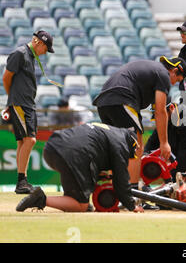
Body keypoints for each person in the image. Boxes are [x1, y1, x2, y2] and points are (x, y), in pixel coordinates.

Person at [92, 57, 186, 189]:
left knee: (118, 150)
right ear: (175, 71)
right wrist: (164, 143)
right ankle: (133, 194)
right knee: (136, 147)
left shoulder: (152, 68)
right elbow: (161, 111)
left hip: (103, 103)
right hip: (122, 99)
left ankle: (116, 192)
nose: (173, 84)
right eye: (177, 80)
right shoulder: (163, 74)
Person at [15, 122, 144, 213]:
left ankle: (72, 201)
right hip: (74, 155)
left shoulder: (110, 131)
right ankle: (40, 199)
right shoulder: (122, 143)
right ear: (130, 144)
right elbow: (121, 179)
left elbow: (93, 147)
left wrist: (97, 174)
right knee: (81, 205)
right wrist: (132, 205)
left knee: (81, 200)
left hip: (52, 148)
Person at [2, 30, 54, 194]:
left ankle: (22, 180)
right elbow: (6, 77)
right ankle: (21, 181)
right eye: (46, 48)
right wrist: (13, 100)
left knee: (21, 142)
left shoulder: (30, 56)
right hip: (21, 104)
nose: (45, 52)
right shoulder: (20, 53)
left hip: (26, 104)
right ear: (39, 42)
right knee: (30, 140)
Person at [144, 98, 186, 180]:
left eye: (161, 115)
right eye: (157, 116)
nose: (159, 120)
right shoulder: (165, 120)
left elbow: (183, 159)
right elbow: (150, 146)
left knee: (176, 188)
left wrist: (169, 180)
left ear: (171, 107)